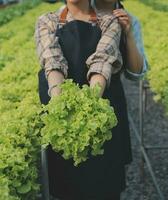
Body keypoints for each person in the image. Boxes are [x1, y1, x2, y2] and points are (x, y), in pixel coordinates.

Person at [35, 0, 147, 199]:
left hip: (102, 108)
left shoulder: (113, 21)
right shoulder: (49, 20)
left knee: (105, 183)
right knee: (67, 185)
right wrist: (62, 107)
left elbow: (107, 65)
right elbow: (52, 62)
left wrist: (89, 107)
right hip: (64, 110)